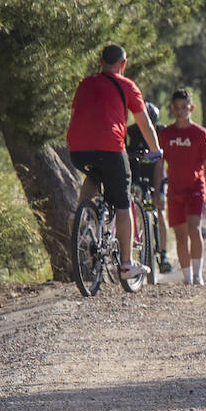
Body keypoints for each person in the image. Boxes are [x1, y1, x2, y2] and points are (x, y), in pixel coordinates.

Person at [66, 44, 162, 280]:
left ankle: (80, 216)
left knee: (93, 175)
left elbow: (78, 112)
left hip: (78, 149)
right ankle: (128, 264)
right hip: (110, 147)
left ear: (100, 62)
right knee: (122, 202)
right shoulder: (127, 86)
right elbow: (145, 125)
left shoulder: (84, 84)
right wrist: (156, 151)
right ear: (123, 64)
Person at [160, 89, 206, 285]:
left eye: (184, 107)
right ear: (172, 109)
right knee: (180, 235)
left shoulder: (200, 134)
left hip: (195, 188)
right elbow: (159, 164)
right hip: (174, 190)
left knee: (194, 228)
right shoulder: (166, 134)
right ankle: (187, 277)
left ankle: (197, 275)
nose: (180, 111)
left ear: (191, 108)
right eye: (177, 108)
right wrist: (158, 191)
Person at [126, 101, 171, 272]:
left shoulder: (162, 131)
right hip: (137, 178)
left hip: (157, 179)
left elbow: (162, 162)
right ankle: (135, 242)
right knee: (134, 209)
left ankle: (164, 254)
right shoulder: (131, 132)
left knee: (160, 212)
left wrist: (159, 192)